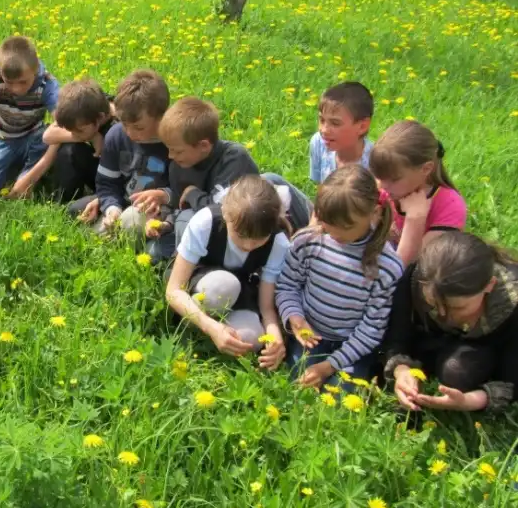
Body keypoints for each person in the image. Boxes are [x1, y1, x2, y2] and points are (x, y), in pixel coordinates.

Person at [275, 165, 403, 388]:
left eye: (346, 226)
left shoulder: (386, 266)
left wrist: (329, 366)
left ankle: (362, 371)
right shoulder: (308, 242)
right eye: (327, 223)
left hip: (354, 346)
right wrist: (294, 316)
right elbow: (287, 285)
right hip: (311, 334)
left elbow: (373, 327)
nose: (335, 233)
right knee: (298, 381)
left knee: (342, 395)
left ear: (374, 213)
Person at [166, 175, 289, 369]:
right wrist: (211, 328)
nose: (248, 246)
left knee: (250, 339)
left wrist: (274, 334)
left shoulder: (278, 242)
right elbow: (173, 291)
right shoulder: (206, 222)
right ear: (225, 212)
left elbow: (266, 307)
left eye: (259, 240)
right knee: (223, 286)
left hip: (243, 289)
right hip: (200, 281)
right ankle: (196, 325)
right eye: (240, 236)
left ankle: (219, 332)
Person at [386, 232, 518, 412]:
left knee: (457, 371)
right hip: (429, 345)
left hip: (490, 355)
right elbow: (397, 336)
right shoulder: (415, 278)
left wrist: (471, 401)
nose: (443, 315)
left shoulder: (511, 303)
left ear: (489, 285)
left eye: (458, 308)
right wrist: (401, 370)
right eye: (432, 304)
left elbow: (513, 378)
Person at [146, 97, 259, 262]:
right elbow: (179, 204)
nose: (170, 156)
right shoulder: (178, 165)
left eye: (177, 151)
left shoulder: (234, 159)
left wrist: (193, 194)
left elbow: (221, 213)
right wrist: (167, 223)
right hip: (194, 230)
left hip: (236, 235)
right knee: (153, 253)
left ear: (204, 146)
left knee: (188, 218)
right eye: (169, 150)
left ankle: (186, 269)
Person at [70, 69, 170, 234]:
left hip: (158, 210)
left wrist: (163, 195)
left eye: (139, 127)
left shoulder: (174, 141)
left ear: (161, 116)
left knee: (130, 222)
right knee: (75, 210)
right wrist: (111, 207)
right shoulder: (116, 135)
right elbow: (107, 182)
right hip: (124, 199)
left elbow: (184, 186)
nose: (130, 133)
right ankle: (113, 227)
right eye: (124, 124)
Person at [0, 36, 60, 197]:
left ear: (35, 69)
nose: (16, 89)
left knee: (50, 141)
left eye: (23, 82)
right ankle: (11, 169)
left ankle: (25, 177)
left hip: (34, 138)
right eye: (9, 82)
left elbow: (61, 126)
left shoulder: (47, 84)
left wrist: (29, 179)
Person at [369, 120, 466, 265]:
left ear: (426, 169)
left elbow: (407, 265)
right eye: (379, 176)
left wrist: (415, 219)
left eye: (394, 179)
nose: (382, 186)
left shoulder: (449, 205)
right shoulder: (383, 187)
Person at [22, 78, 115, 203]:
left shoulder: (117, 128)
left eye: (80, 131)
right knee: (68, 148)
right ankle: (63, 200)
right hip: (98, 166)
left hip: (116, 179)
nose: (75, 134)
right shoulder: (83, 105)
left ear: (100, 118)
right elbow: (48, 136)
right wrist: (93, 137)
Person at [309, 81, 374, 184]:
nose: (324, 130)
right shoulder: (318, 142)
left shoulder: (374, 161)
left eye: (335, 123)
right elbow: (320, 188)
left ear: (362, 126)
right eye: (322, 120)